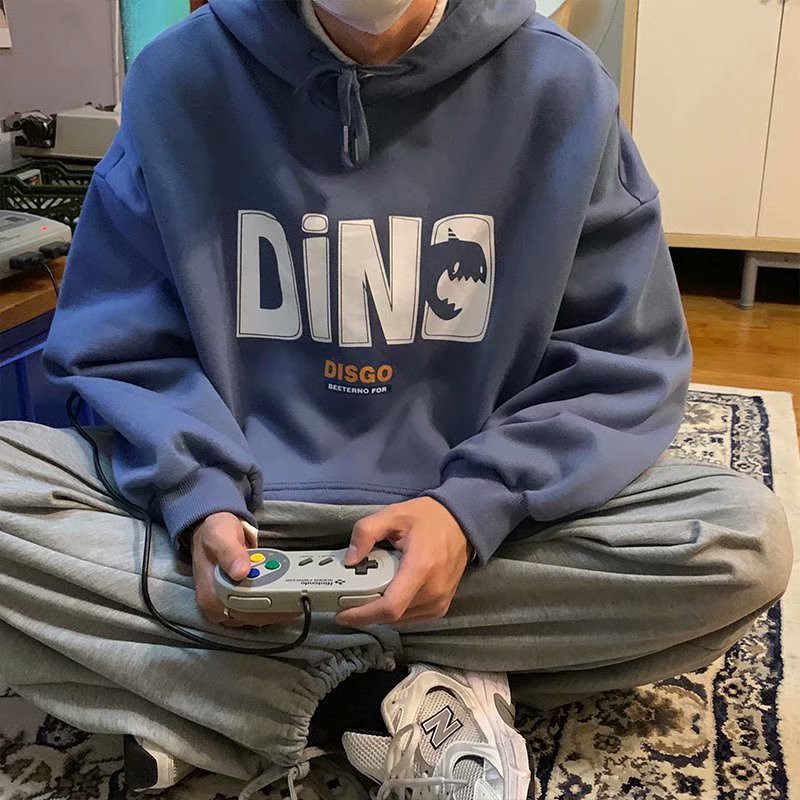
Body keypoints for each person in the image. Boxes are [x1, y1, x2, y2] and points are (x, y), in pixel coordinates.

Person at [0, 0, 792, 798]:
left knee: (735, 539)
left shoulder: (561, 87)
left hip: (466, 538)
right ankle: (394, 696)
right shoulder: (178, 80)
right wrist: (197, 495)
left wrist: (471, 510)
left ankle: (207, 690)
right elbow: (123, 342)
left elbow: (620, 357)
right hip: (241, 522)